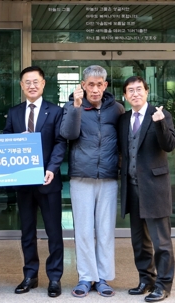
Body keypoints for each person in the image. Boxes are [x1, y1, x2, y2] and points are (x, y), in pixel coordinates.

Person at [60, 65, 124, 298]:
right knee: (84, 230)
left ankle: (104, 277)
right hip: (80, 176)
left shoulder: (116, 109)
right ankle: (86, 276)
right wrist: (76, 107)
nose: (95, 89)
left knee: (106, 229)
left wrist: (118, 165)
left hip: (108, 177)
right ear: (83, 85)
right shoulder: (71, 105)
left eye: (99, 84)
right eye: (91, 84)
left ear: (105, 85)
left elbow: (123, 141)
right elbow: (68, 134)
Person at [3, 66, 67, 298]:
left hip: (48, 181)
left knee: (53, 232)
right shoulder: (14, 112)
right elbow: (6, 141)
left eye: (35, 81)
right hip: (23, 183)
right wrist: (14, 140)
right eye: (27, 82)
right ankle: (30, 274)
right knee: (27, 231)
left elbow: (61, 142)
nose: (31, 85)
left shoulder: (56, 111)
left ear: (43, 84)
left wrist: (52, 168)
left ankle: (55, 277)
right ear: (21, 85)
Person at [118, 76, 175, 302]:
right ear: (125, 95)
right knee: (139, 240)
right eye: (130, 90)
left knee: (161, 241)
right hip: (132, 188)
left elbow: (169, 145)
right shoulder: (124, 120)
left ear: (147, 91)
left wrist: (161, 123)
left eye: (139, 89)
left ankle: (163, 284)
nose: (135, 93)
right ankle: (146, 279)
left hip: (154, 187)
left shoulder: (160, 114)